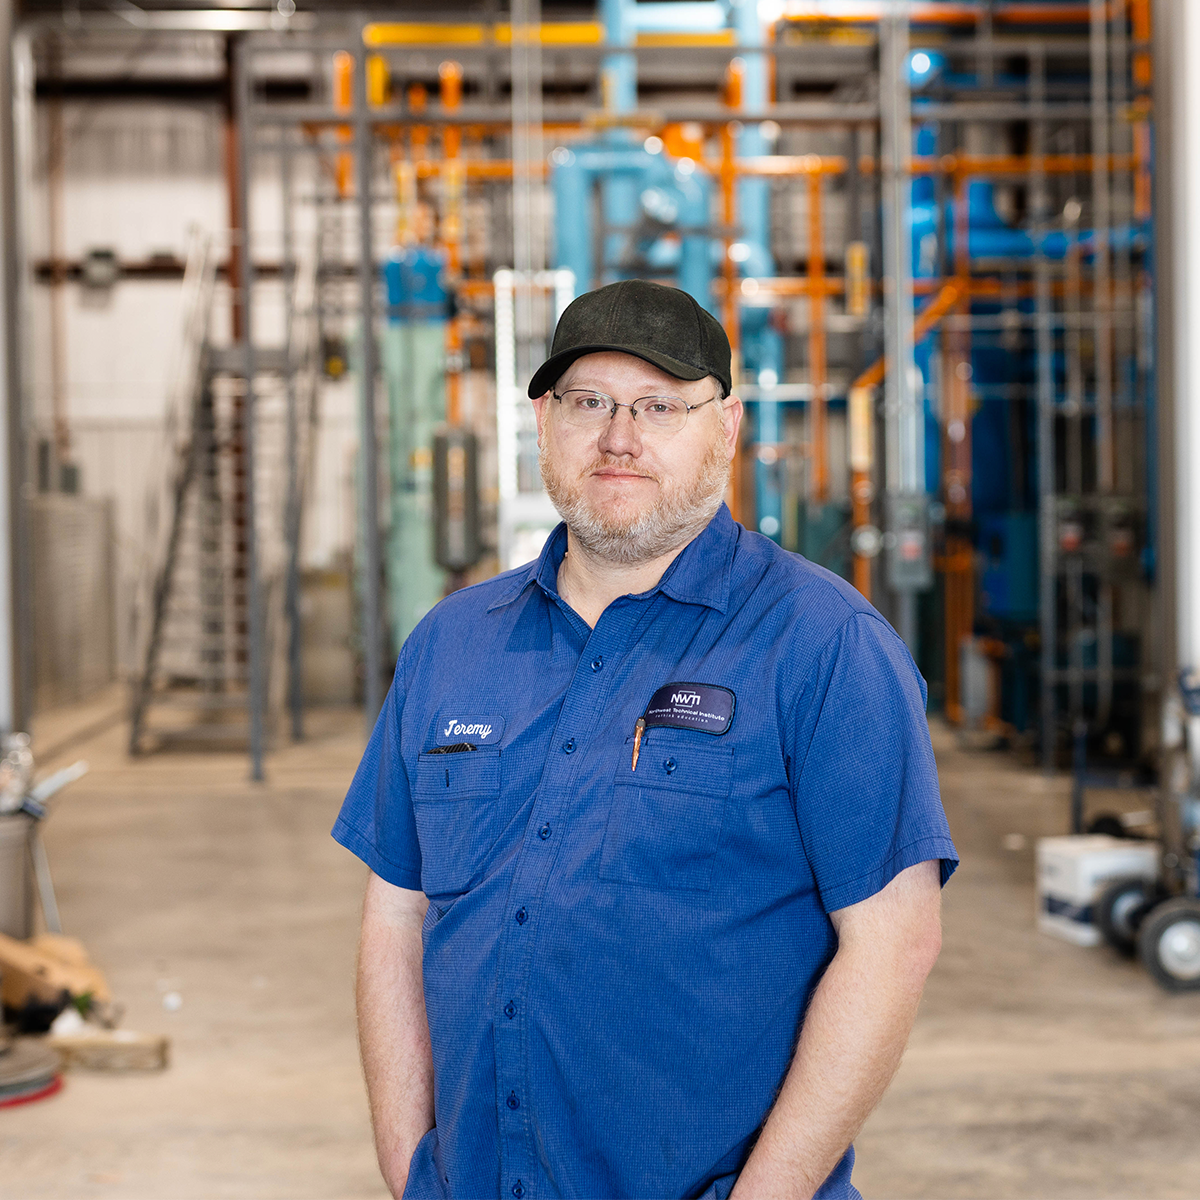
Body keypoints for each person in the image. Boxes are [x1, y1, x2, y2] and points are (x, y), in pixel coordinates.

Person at [334, 279, 957, 1200]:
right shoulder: (452, 644)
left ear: (728, 428)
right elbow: (394, 916)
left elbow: (894, 943)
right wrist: (407, 1165)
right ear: (544, 422)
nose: (619, 437)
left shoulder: (823, 644)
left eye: (660, 405)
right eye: (588, 402)